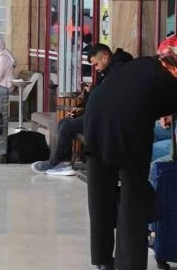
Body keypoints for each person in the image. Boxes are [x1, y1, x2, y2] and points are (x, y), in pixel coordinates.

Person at [84, 36, 177, 270]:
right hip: (127, 127)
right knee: (133, 193)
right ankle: (131, 268)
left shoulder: (143, 64)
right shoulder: (172, 80)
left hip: (95, 118)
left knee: (100, 194)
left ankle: (103, 262)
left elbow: (144, 94)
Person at [32, 43, 133, 176]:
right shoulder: (110, 70)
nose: (96, 69)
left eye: (96, 64)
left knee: (67, 125)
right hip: (102, 116)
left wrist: (93, 92)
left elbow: (110, 97)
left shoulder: (117, 71)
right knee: (63, 122)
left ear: (105, 57)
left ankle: (55, 162)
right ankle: (64, 163)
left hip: (109, 120)